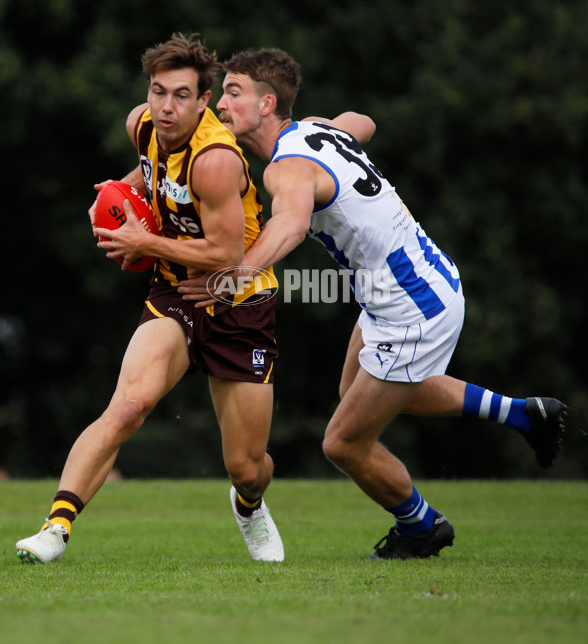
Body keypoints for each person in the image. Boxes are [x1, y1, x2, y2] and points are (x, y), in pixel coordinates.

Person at [178, 48, 567, 560]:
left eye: (233, 93)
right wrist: (330, 125)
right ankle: (523, 415)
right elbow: (364, 121)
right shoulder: (311, 135)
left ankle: (421, 526)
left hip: (411, 308)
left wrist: (235, 279)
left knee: (342, 443)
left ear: (267, 104)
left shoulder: (285, 170)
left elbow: (291, 224)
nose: (221, 105)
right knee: (358, 393)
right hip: (413, 287)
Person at [16, 34, 284, 564]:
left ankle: (250, 505)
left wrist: (143, 241)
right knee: (130, 404)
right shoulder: (142, 124)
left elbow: (228, 249)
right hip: (175, 291)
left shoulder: (216, 160)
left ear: (204, 100)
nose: (166, 107)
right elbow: (150, 171)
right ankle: (55, 529)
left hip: (241, 299)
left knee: (247, 467)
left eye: (182, 95)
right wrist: (117, 198)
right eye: (159, 91)